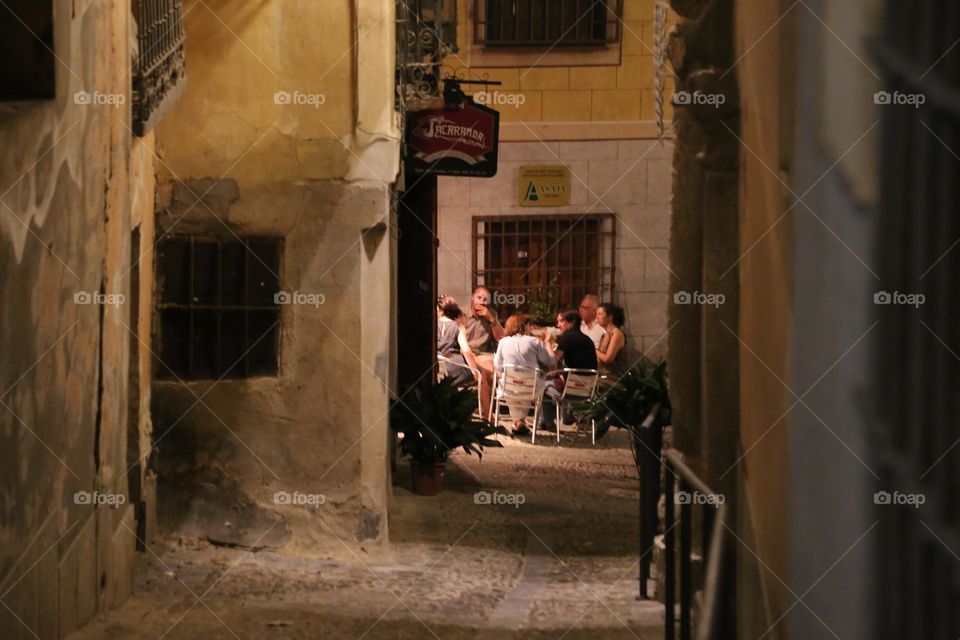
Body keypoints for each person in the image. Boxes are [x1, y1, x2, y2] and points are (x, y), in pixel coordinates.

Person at [493, 313, 556, 435]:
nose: (531, 328)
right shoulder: (535, 342)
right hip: (530, 389)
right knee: (529, 383)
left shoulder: (503, 342)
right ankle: (519, 421)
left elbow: (498, 367)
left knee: (511, 385)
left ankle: (518, 421)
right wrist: (547, 343)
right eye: (529, 325)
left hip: (509, 388)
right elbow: (550, 362)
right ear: (524, 326)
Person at [540, 309, 599, 431]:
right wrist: (560, 376)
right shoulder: (588, 340)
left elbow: (553, 361)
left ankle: (547, 422)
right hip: (587, 389)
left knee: (542, 384)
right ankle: (573, 417)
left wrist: (547, 343)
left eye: (561, 321)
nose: (558, 325)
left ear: (571, 322)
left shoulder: (568, 337)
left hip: (571, 390)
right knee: (566, 418)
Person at [437, 295, 490, 417]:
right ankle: (488, 415)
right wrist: (475, 372)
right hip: (452, 366)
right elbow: (466, 350)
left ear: (441, 309)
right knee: (482, 377)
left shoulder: (432, 323)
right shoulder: (458, 327)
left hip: (436, 366)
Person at [463, 285, 505, 378]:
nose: (482, 302)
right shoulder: (463, 314)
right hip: (466, 353)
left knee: (492, 369)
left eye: (485, 299)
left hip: (483, 354)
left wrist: (491, 319)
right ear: (472, 298)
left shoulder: (492, 314)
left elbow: (501, 338)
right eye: (479, 298)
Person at [596, 302, 627, 379]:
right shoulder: (604, 335)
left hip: (613, 378)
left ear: (610, 317)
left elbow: (607, 358)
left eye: (600, 314)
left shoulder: (617, 334)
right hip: (602, 376)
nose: (597, 317)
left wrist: (593, 350)